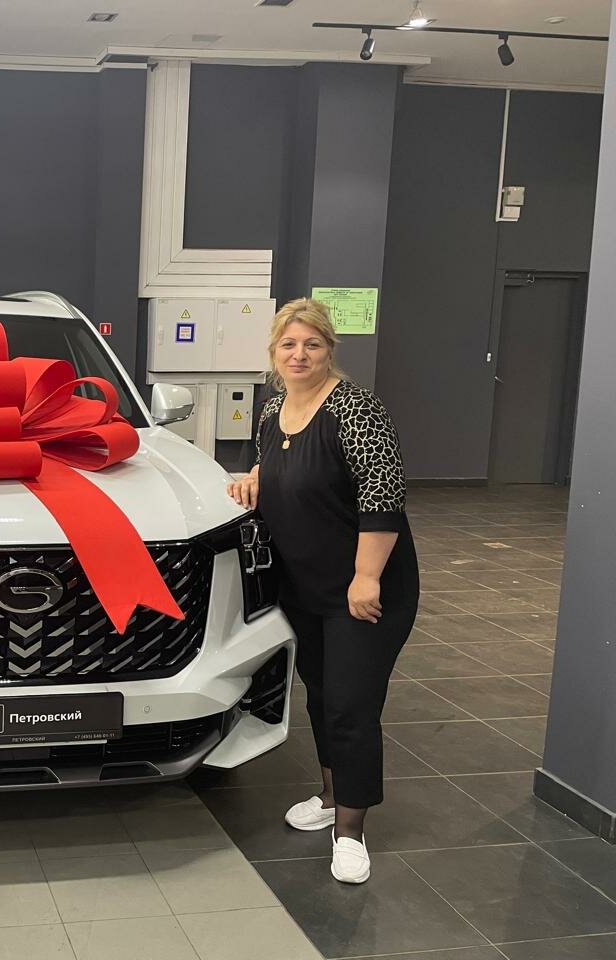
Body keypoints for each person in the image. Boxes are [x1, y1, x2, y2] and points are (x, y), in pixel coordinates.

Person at [226, 298, 419, 885]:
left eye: (311, 344)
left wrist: (366, 577)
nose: (299, 354)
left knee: (351, 706)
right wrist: (254, 478)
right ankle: (332, 797)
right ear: (274, 353)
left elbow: (382, 497)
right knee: (320, 695)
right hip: (304, 587)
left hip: (363, 588)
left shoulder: (357, 409)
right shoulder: (272, 410)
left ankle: (352, 832)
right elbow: (277, 466)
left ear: (329, 350)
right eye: (289, 344)